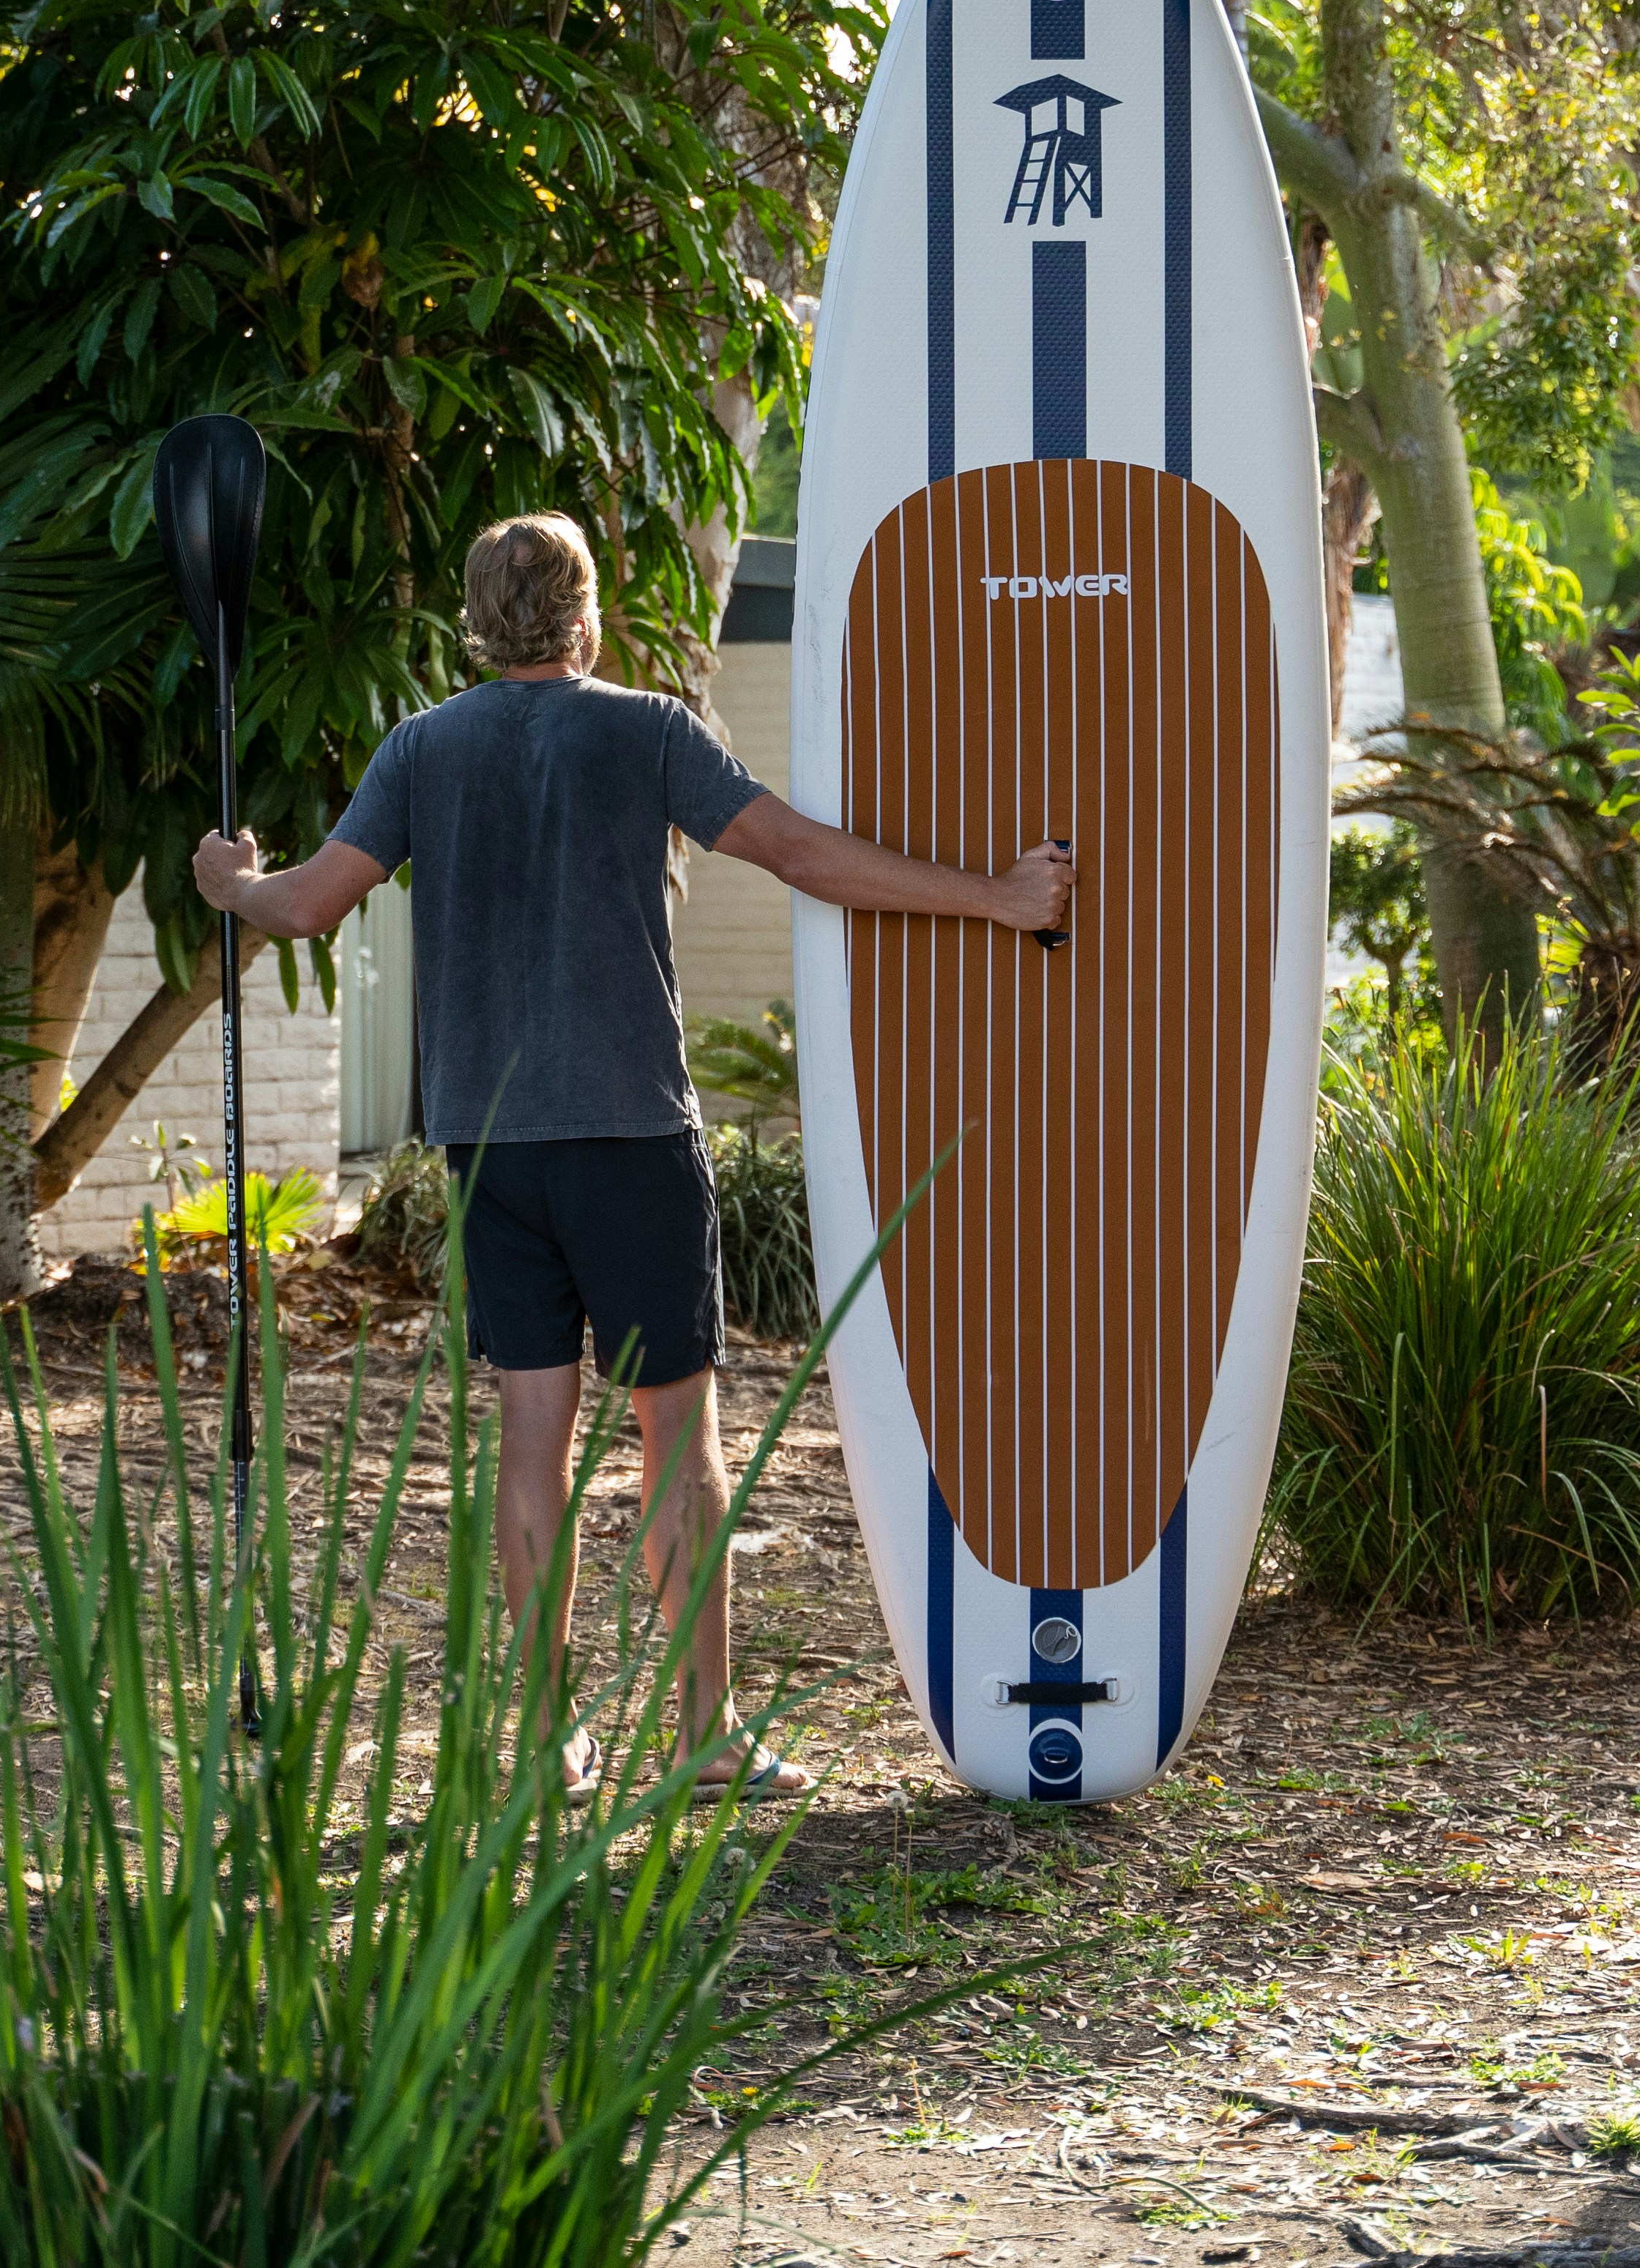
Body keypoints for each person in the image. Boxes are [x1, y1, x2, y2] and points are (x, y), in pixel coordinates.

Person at [192, 512, 1073, 1796]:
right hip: (632, 1137)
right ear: (586, 616)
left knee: (528, 1438)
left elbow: (306, 905)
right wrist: (995, 897)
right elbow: (803, 858)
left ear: (477, 625)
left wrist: (231, 886)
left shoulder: (421, 749)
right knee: (678, 1440)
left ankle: (546, 1748)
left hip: (489, 1149)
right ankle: (705, 1739)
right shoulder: (649, 729)